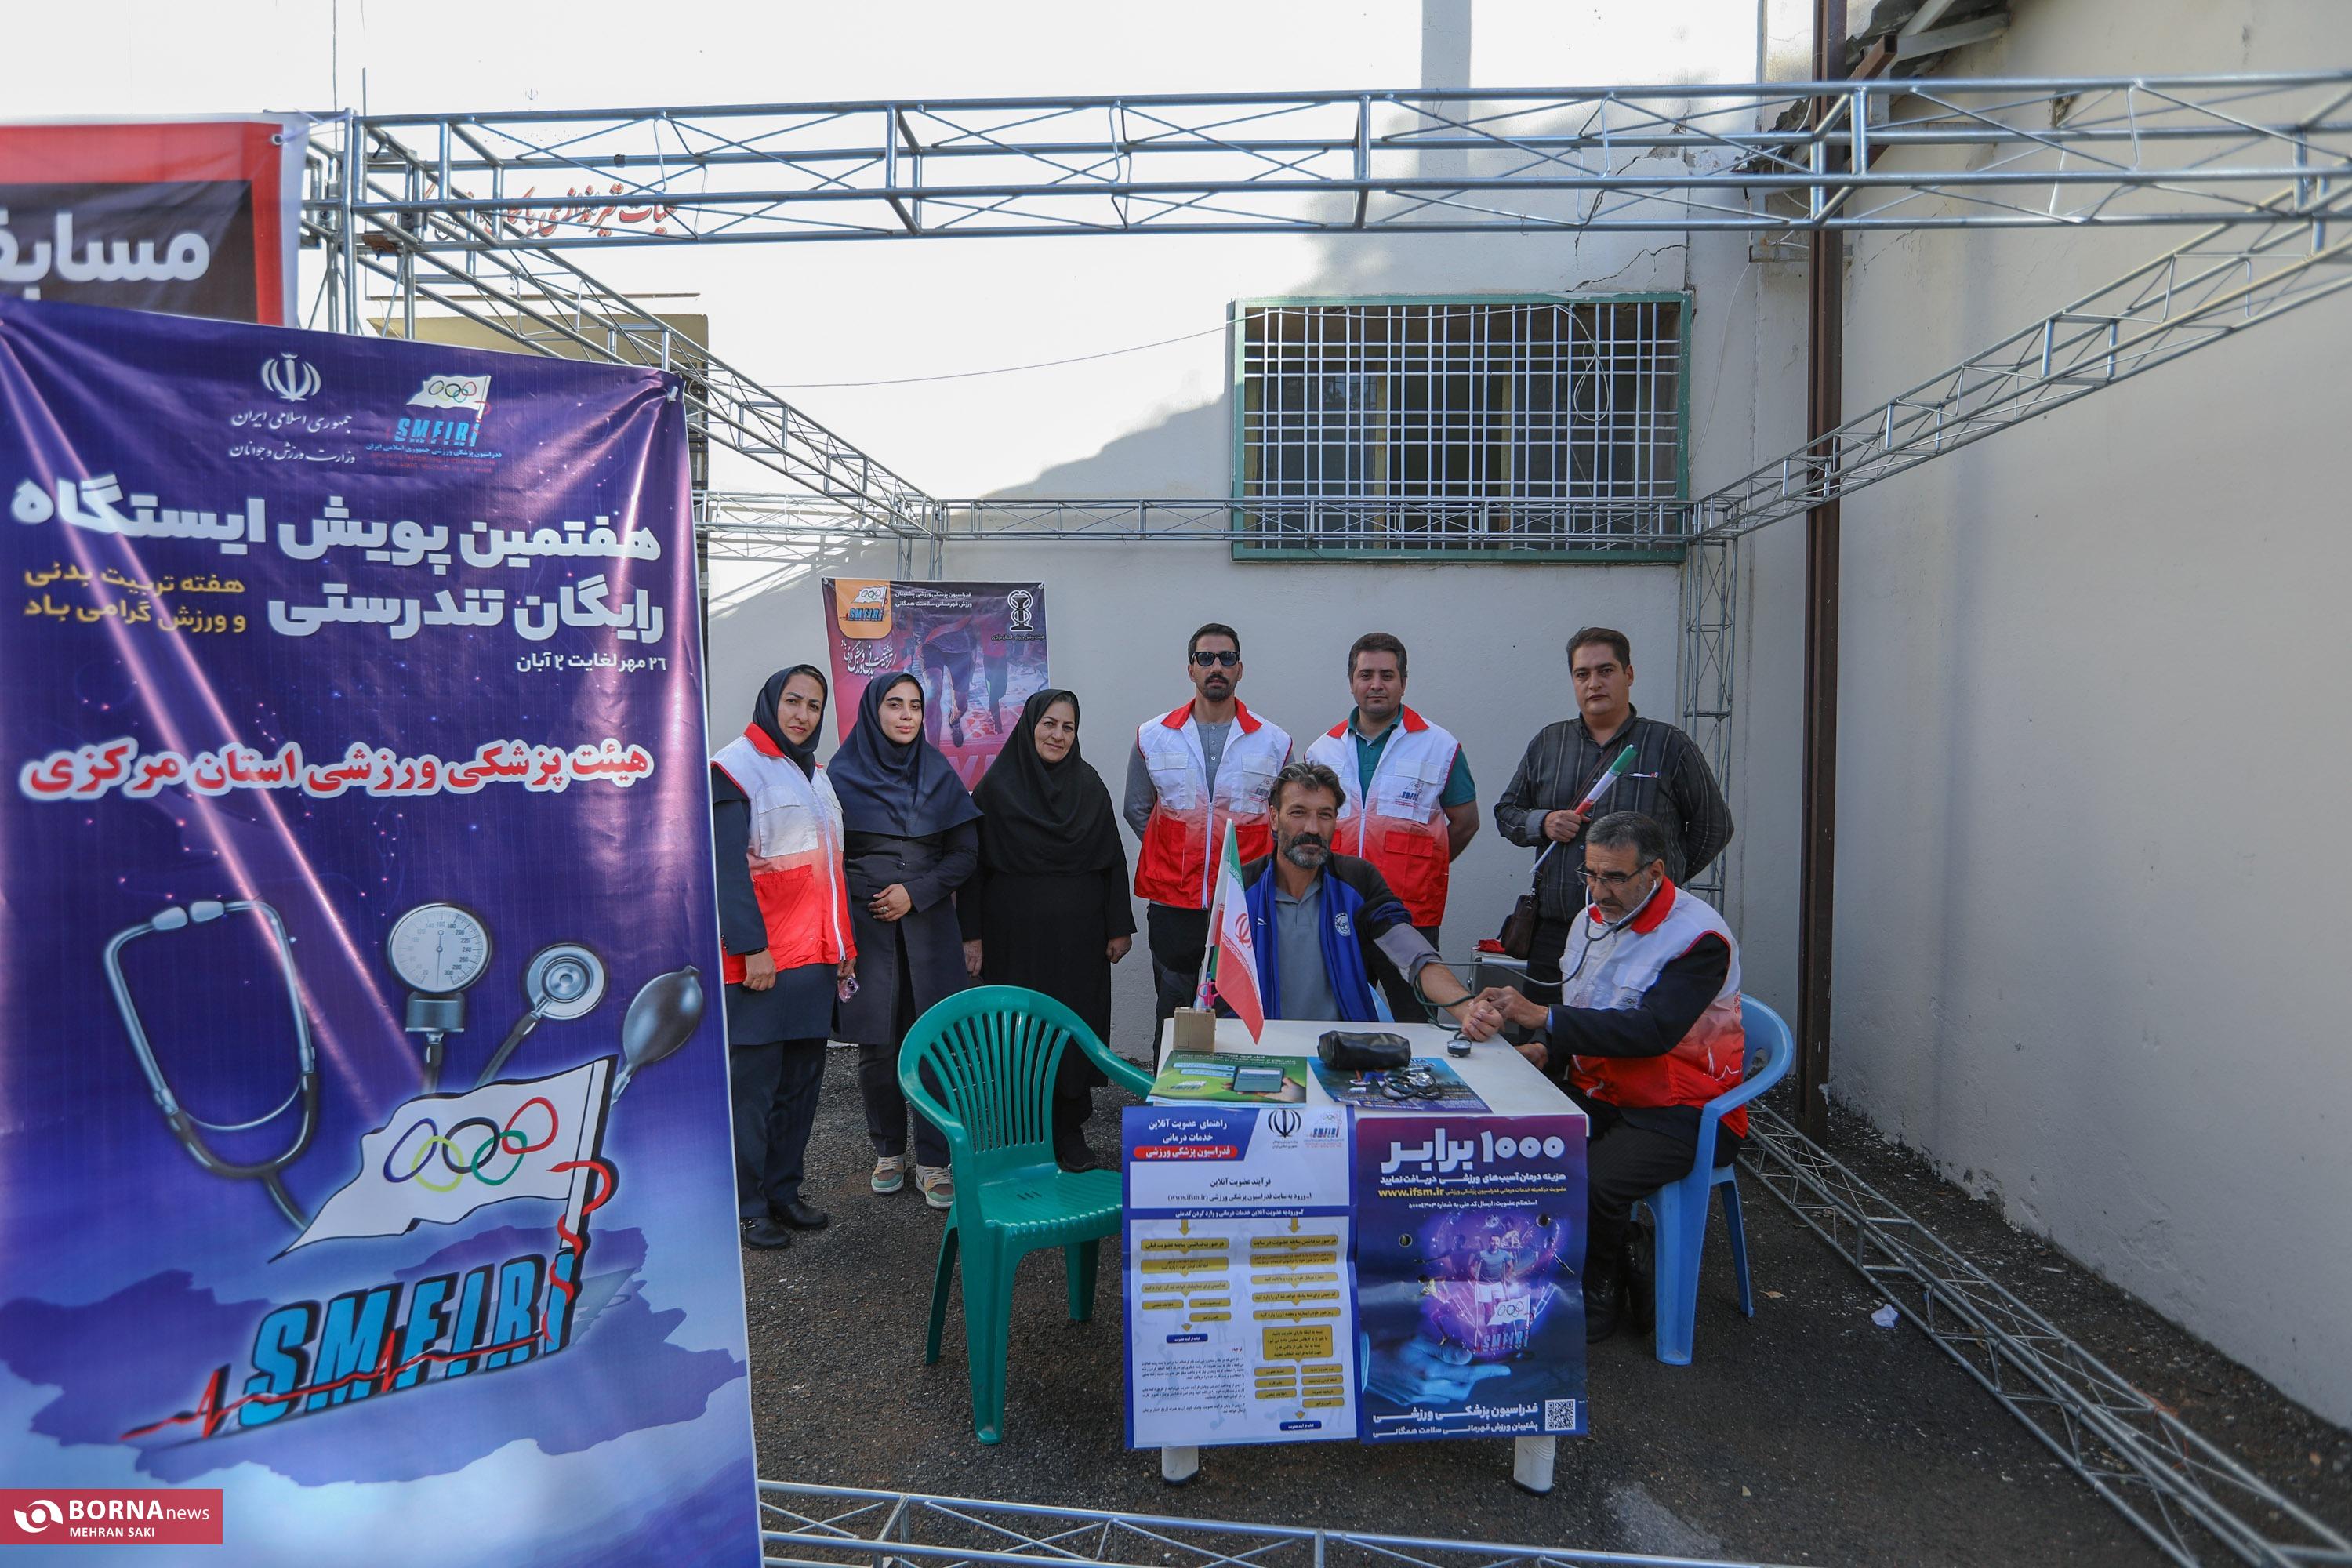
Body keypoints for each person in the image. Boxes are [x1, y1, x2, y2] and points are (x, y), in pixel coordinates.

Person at [1473, 811, 1747, 1344]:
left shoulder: (1699, 937)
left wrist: (1542, 1017)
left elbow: (1652, 1031)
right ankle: (1614, 1250)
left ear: (1655, 872)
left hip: (1684, 1109)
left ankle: (1601, 1287)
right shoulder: (1590, 919)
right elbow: (1589, 1008)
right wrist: (1544, 1048)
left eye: (1615, 877)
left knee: (1596, 1179)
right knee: (1515, 1140)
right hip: (1604, 1089)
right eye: (1591, 874)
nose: (1599, 891)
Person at [1493, 626, 1733, 1004]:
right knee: (1541, 1032)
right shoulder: (1549, 742)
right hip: (1557, 931)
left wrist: (1656, 877)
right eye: (1582, 674)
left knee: (1625, 1031)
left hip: (1644, 934)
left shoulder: (1668, 744)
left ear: (1629, 674)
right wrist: (1544, 822)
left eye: (1606, 671)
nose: (1594, 683)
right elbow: (1507, 813)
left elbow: (1713, 827)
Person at [959, 689, 1136, 1171]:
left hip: (1080, 940)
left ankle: (1069, 1130)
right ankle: (1020, 1134)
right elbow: (974, 869)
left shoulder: (1089, 785)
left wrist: (1119, 927)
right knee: (1019, 1031)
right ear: (1030, 726)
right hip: (1013, 940)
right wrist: (971, 936)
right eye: (1049, 724)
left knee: (1073, 1027)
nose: (1058, 735)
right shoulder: (996, 789)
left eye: (1068, 727)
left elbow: (1112, 861)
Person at [711, 666, 856, 1251]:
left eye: (814, 706)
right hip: (762, 964)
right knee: (753, 1094)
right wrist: (752, 949)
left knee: (801, 1086)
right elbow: (725, 871)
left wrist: (844, 946)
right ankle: (747, 1207)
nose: (802, 714)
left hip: (814, 958)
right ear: (771, 702)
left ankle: (783, 1191)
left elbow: (831, 869)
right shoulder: (733, 768)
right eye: (793, 701)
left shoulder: (816, 774)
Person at [829, 673, 981, 1211]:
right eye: (895, 705)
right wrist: (860, 903)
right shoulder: (840, 776)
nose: (906, 715)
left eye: (915, 706)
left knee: (934, 1044)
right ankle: (888, 1152)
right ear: (874, 712)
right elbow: (828, 856)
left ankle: (935, 1161)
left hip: (928, 927)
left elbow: (965, 855)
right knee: (878, 1047)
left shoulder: (939, 773)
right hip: (867, 928)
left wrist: (914, 893)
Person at [1229, 760, 1501, 1035]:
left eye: (1325, 815)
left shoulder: (1357, 879)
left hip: (1344, 1046)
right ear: (1274, 818)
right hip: (1262, 1045)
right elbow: (1220, 984)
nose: (1313, 828)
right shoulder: (1241, 886)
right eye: (1298, 812)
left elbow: (1411, 951)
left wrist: (1467, 1008)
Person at [1124, 623, 1291, 1036]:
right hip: (1173, 903)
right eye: (1206, 658)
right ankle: (1169, 1078)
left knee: (1241, 1013)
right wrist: (1177, 852)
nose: (1216, 666)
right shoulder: (1153, 736)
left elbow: (1283, 821)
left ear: (1240, 669)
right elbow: (1136, 809)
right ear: (1191, 669)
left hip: (1244, 903)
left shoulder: (1274, 742)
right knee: (1174, 1015)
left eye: (1227, 658)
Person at [1301, 631, 1479, 946]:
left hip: (1408, 912)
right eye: (1366, 675)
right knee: (1336, 982)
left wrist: (1425, 867)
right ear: (1351, 682)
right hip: (1336, 906)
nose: (1376, 685)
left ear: (1403, 683)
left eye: (1387, 675)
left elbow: (1466, 823)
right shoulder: (1322, 750)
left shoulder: (1440, 747)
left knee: (1412, 982)